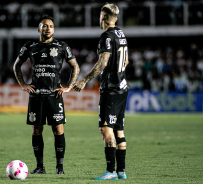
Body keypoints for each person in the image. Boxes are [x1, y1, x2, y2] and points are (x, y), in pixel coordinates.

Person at [13, 15, 80, 175]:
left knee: (58, 129)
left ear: (54, 29)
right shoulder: (30, 46)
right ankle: (40, 167)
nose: (47, 28)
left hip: (54, 95)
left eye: (50, 26)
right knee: (37, 130)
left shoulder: (62, 46)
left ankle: (60, 168)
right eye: (44, 26)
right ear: (39, 29)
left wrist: (69, 87)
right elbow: (17, 65)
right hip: (36, 96)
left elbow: (75, 66)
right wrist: (23, 84)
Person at [73, 3, 129, 180]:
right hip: (122, 87)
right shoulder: (121, 34)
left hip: (111, 89)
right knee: (119, 129)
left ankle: (111, 171)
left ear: (103, 17)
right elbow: (125, 62)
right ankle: (121, 171)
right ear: (116, 18)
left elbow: (103, 63)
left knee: (106, 128)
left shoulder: (106, 36)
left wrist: (84, 80)